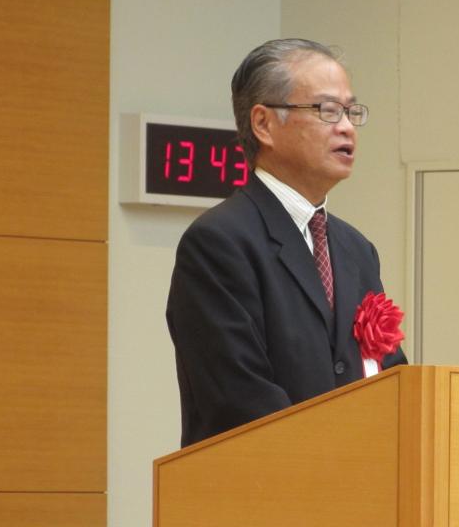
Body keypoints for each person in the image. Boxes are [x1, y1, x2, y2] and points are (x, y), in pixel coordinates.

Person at [166, 38, 407, 446]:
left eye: (351, 111)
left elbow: (391, 377)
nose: (347, 126)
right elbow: (238, 396)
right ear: (263, 124)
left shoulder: (356, 250)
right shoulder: (219, 243)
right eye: (328, 111)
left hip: (359, 489)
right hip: (263, 487)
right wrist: (338, 456)